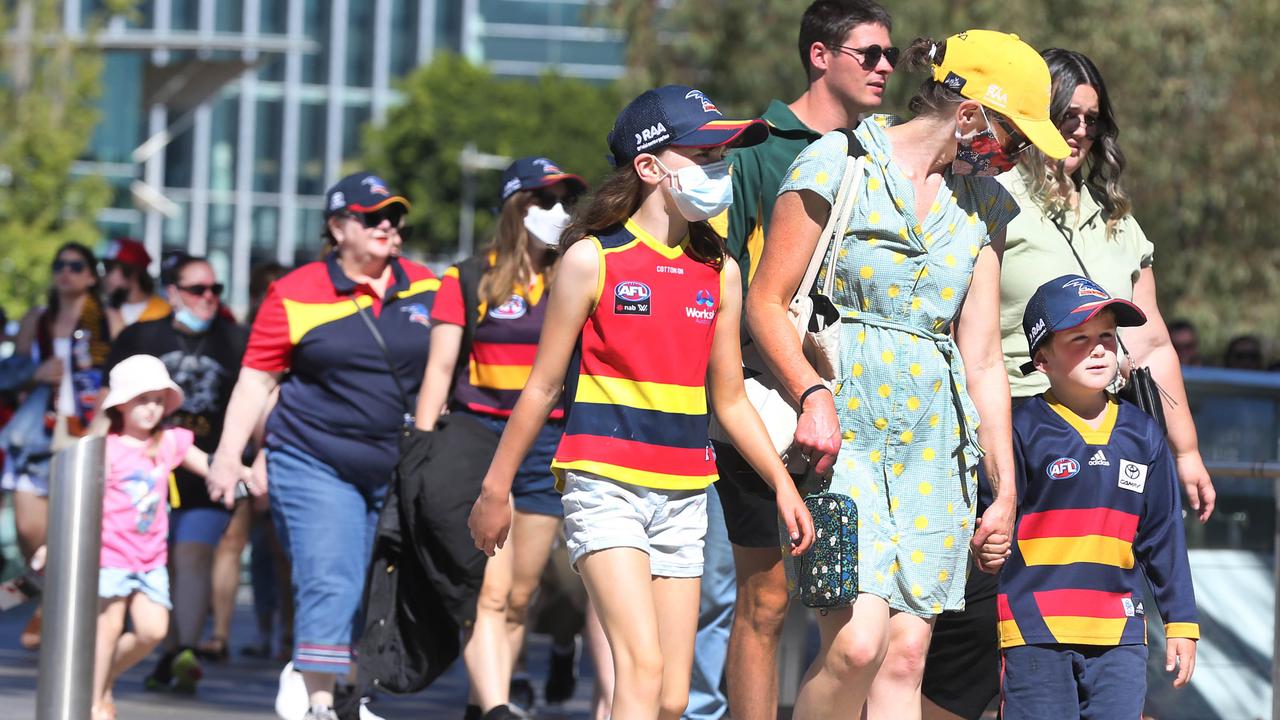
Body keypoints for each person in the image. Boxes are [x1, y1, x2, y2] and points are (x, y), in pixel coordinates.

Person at [747, 30, 1070, 719]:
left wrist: (1004, 490)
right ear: (971, 111)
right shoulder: (838, 162)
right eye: (1014, 139)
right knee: (858, 646)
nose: (1013, 159)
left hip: (936, 446)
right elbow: (766, 303)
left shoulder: (986, 206)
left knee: (903, 661)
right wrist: (811, 394)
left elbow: (982, 358)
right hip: (844, 430)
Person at [468, 85, 815, 720]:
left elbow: (731, 400)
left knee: (672, 697)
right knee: (641, 670)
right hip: (603, 483)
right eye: (704, 153)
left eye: (724, 155)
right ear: (649, 166)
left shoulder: (721, 271)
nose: (720, 170)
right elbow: (542, 386)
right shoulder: (590, 259)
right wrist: (496, 491)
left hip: (685, 490)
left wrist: (782, 484)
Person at [920, 49, 1218, 720]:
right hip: (1008, 448)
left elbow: (1153, 343)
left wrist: (1188, 450)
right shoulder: (989, 198)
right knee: (970, 646)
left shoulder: (1115, 220)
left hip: (1103, 455)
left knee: (1098, 643)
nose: (1080, 129)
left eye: (1092, 117)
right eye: (1065, 115)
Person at [710, 2, 895, 716]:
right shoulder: (755, 152)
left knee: (856, 606)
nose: (884, 67)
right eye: (868, 54)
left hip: (864, 411)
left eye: (888, 56)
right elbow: (728, 286)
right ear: (820, 57)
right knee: (766, 598)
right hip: (763, 403)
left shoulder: (883, 151)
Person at [205, 172, 438, 720]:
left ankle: (340, 684)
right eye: (372, 216)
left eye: (394, 216)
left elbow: (447, 371)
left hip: (399, 463)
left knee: (371, 581)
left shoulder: (428, 284)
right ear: (338, 227)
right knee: (329, 573)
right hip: (312, 457)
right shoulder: (294, 291)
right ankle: (321, 702)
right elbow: (257, 380)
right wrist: (226, 456)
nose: (388, 225)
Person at [413, 155, 587, 718]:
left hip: (548, 444)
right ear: (516, 206)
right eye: (544, 200)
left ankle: (496, 699)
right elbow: (440, 371)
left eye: (566, 201)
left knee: (519, 597)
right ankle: (487, 705)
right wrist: (418, 451)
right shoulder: (467, 277)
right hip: (479, 438)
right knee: (488, 589)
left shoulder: (579, 273)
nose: (558, 212)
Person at [997, 274, 1198, 718]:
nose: (1099, 348)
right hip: (1035, 632)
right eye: (1079, 337)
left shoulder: (1144, 432)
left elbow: (1163, 535)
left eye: (1107, 335)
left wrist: (1182, 622)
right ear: (1041, 357)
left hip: (1120, 637)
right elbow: (990, 521)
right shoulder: (1017, 426)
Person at [104, 255, 247, 692]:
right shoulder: (140, 336)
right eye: (197, 290)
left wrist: (245, 465)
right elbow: (107, 401)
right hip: (137, 472)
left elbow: (259, 395)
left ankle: (181, 648)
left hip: (200, 469)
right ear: (172, 292)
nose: (208, 298)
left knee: (192, 554)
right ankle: (150, 650)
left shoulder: (234, 339)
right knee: (153, 560)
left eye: (214, 290)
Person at [88, 354, 247, 720]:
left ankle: (100, 679)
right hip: (110, 555)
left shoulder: (169, 441)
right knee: (108, 628)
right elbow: (80, 500)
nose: (151, 408)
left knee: (153, 630)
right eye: (143, 399)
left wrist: (242, 475)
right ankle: (94, 702)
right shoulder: (105, 449)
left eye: (159, 400)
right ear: (122, 403)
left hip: (150, 559)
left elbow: (211, 466)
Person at [5, 242, 112, 651]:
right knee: (31, 533)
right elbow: (9, 373)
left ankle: (52, 612)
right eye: (59, 265)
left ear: (90, 275)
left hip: (87, 434)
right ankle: (44, 599)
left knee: (72, 534)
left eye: (75, 265)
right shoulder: (38, 319)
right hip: (38, 436)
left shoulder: (106, 319)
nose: (65, 272)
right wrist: (36, 371)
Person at [102, 237, 171, 333]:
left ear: (131, 273)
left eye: (109, 268)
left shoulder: (163, 312)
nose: (105, 275)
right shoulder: (101, 310)